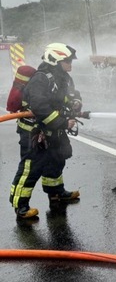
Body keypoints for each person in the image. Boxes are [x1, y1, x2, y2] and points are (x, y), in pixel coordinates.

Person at [9, 43, 85, 221]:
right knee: (31, 168)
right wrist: (63, 123)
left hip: (53, 129)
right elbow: (40, 106)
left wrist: (76, 103)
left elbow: (71, 94)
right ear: (55, 61)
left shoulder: (63, 77)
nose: (70, 64)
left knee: (57, 159)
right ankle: (21, 206)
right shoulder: (40, 79)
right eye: (67, 61)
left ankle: (56, 193)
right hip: (34, 131)